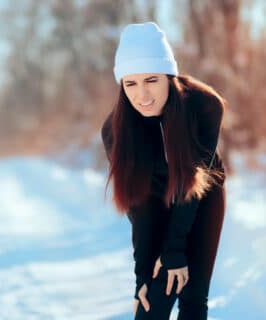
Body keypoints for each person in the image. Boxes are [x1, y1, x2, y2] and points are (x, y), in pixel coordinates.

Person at [100, 22, 227, 320]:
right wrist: (143, 274)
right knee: (150, 305)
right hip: (152, 195)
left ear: (169, 76)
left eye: (151, 80)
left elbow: (192, 183)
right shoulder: (114, 132)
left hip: (202, 189)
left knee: (193, 296)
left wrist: (174, 250)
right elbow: (139, 205)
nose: (142, 94)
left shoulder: (204, 107)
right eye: (130, 84)